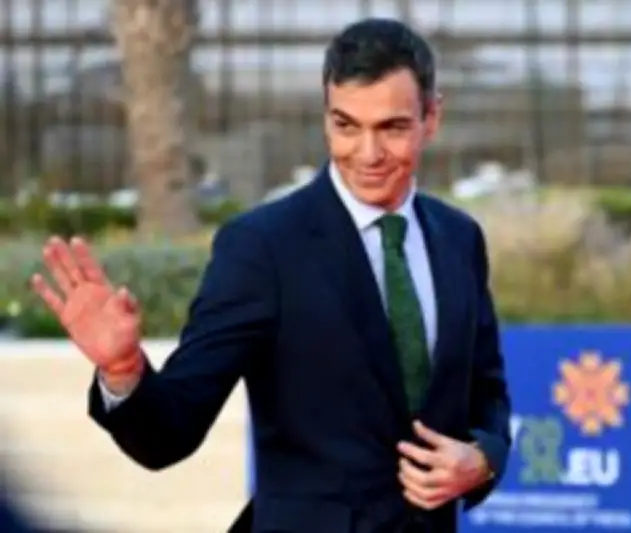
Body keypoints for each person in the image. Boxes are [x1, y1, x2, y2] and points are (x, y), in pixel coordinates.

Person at [30, 17, 511, 533]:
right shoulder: (263, 248)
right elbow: (169, 434)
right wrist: (123, 370)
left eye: (391, 128)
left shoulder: (459, 238)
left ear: (432, 117)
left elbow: (486, 394)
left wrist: (482, 458)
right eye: (346, 126)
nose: (367, 154)